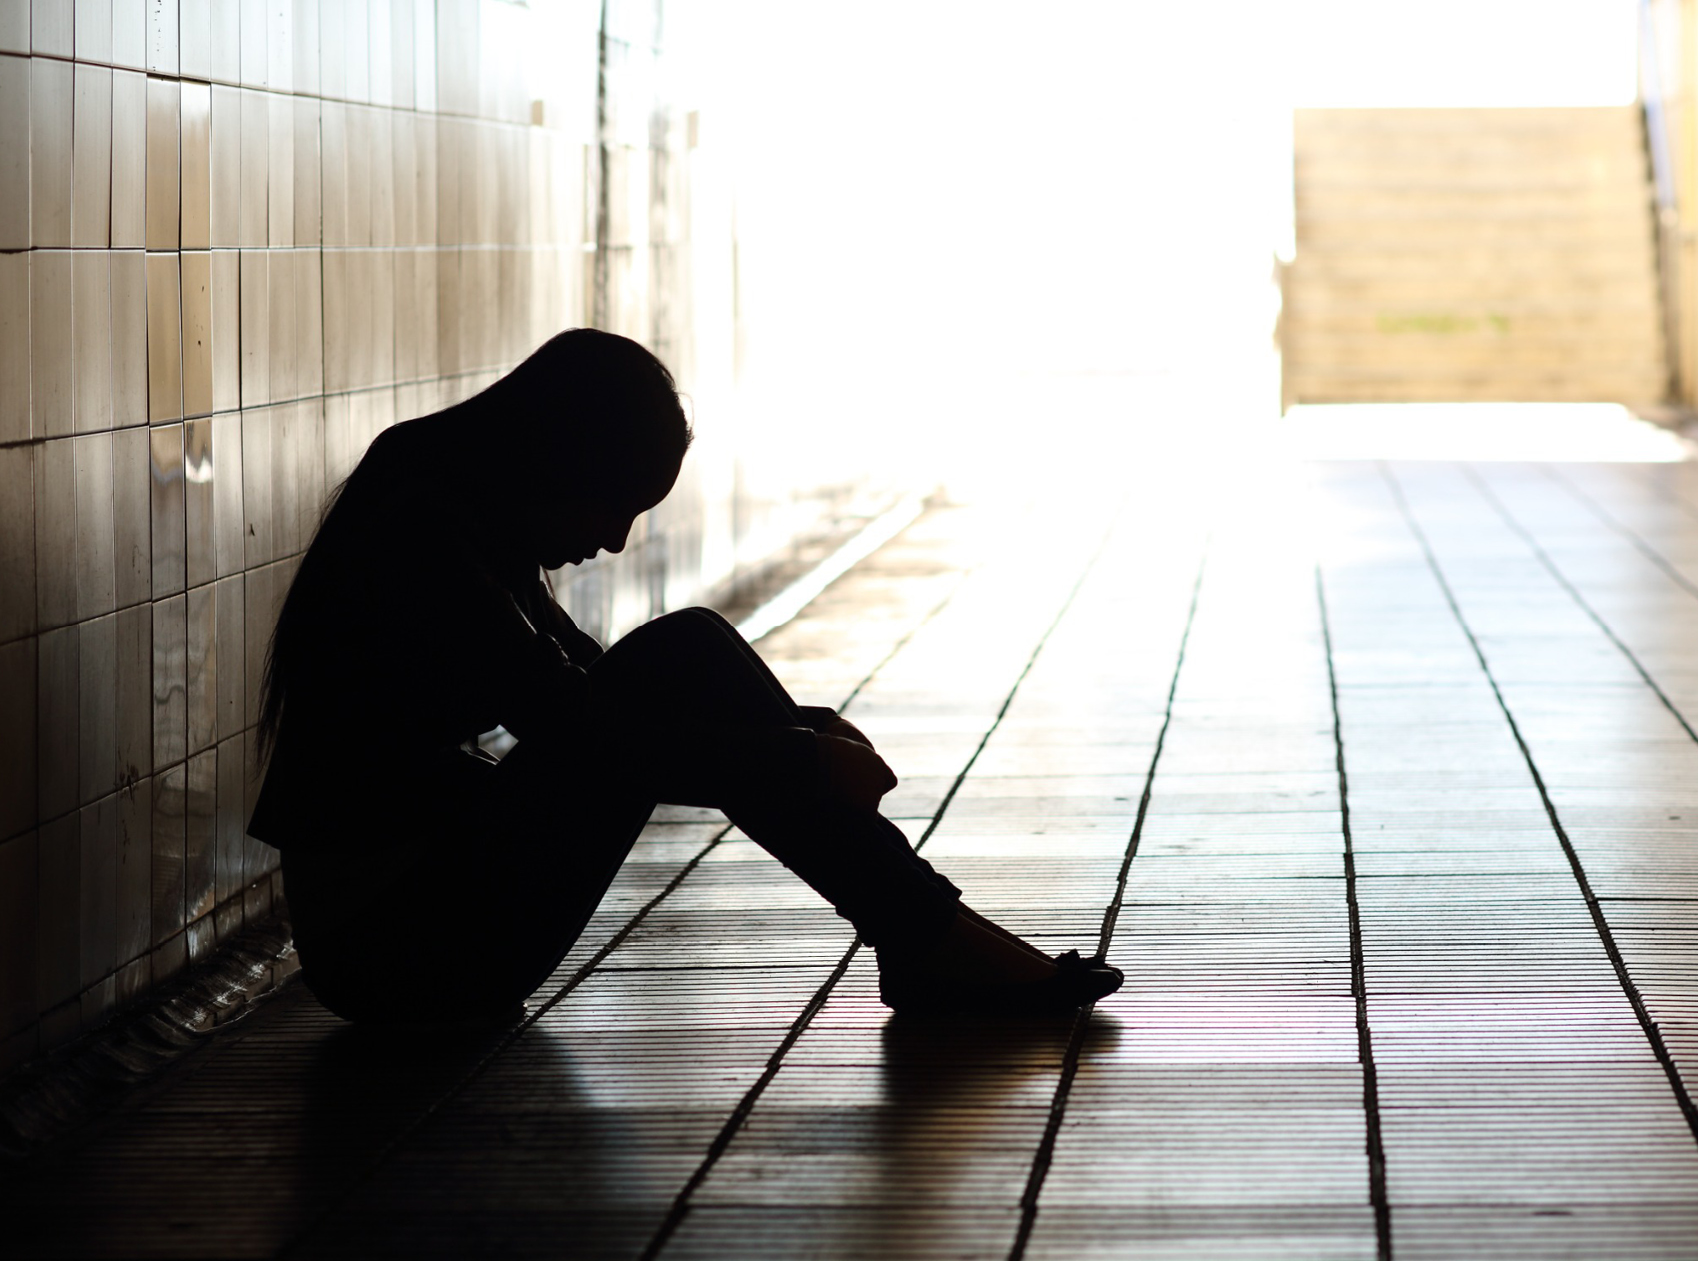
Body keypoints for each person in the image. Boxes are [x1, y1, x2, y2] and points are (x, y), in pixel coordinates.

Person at [249, 329, 1123, 1022]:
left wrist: (803, 732)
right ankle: (929, 939)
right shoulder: (423, 529)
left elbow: (586, 688)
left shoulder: (453, 501)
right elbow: (588, 732)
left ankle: (927, 937)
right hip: (396, 956)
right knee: (684, 655)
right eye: (615, 505)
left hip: (422, 923)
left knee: (686, 656)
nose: (616, 542)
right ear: (560, 460)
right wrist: (802, 761)